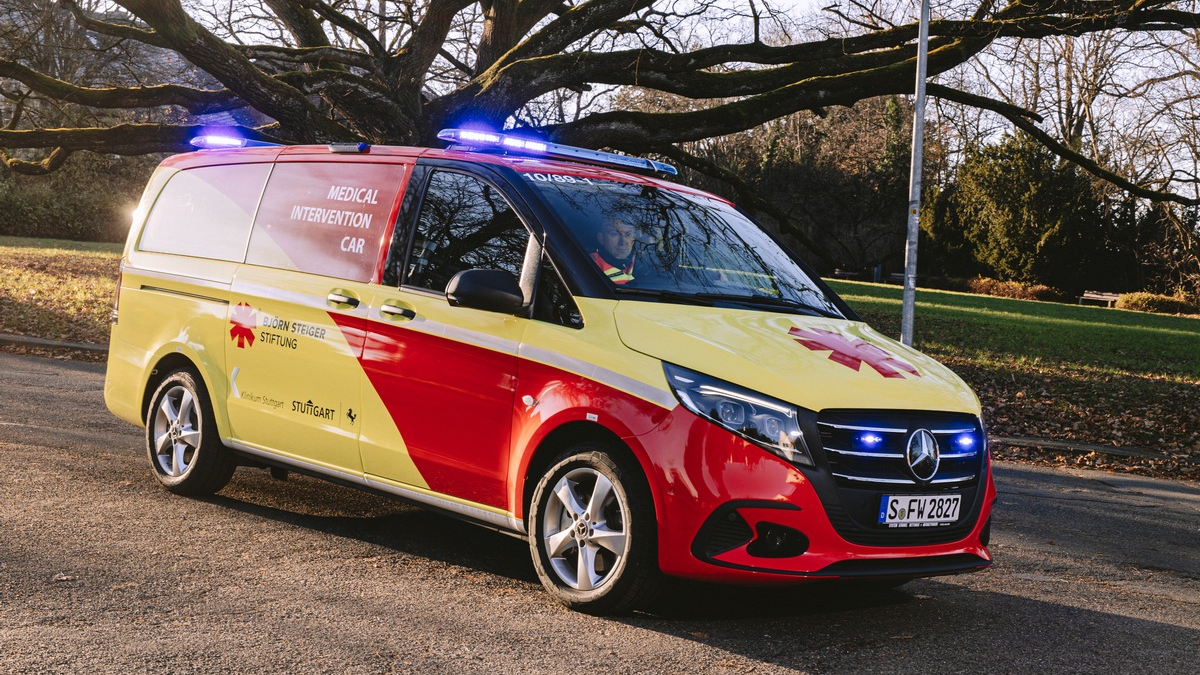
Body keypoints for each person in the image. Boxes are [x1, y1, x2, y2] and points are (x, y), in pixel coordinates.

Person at [591, 219, 636, 284]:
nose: (623, 241)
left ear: (634, 238)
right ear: (601, 238)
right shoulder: (589, 265)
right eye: (614, 234)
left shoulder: (646, 263)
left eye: (628, 234)